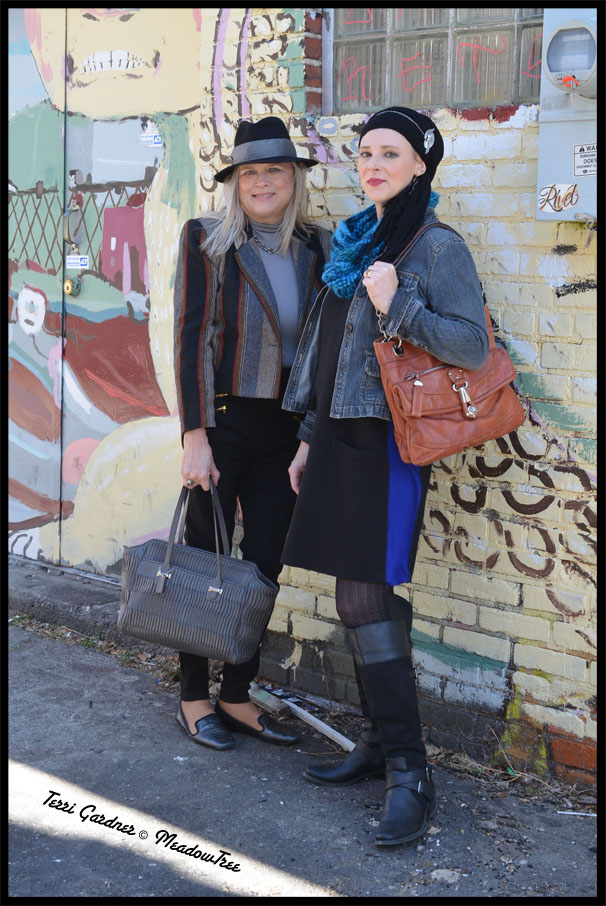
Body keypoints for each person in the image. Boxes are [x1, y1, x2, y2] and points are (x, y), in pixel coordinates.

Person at [281, 106, 489, 845]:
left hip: (389, 445)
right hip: (339, 436)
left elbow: (471, 345)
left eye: (390, 153)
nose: (373, 164)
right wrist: (308, 438)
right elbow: (329, 350)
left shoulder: (436, 246)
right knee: (355, 597)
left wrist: (395, 303)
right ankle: (377, 746)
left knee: (364, 595)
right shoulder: (357, 240)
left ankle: (411, 772)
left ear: (421, 164)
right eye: (366, 152)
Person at [173, 116, 332, 751]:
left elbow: (323, 346)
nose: (261, 182)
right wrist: (194, 435)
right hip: (224, 421)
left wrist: (312, 432)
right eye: (249, 173)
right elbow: (192, 338)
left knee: (265, 561)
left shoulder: (319, 246)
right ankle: (192, 695)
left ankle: (236, 693)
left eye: (273, 170)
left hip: (287, 429)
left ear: (294, 178)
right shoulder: (207, 239)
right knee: (202, 557)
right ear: (235, 183)